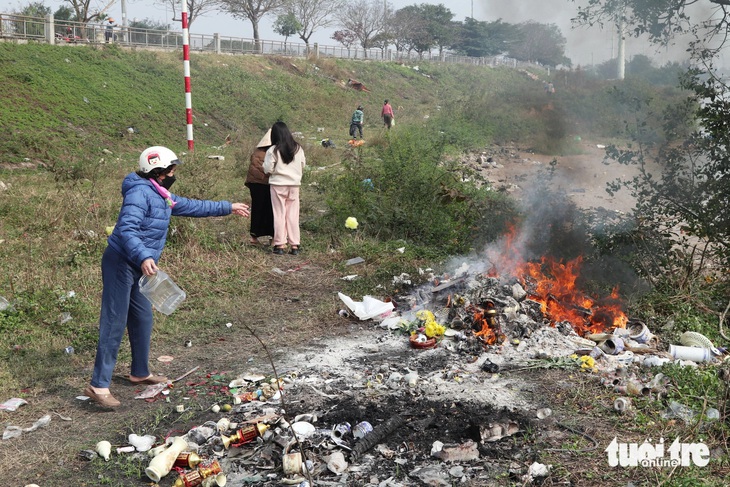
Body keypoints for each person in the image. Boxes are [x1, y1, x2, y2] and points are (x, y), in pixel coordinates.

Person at [85, 146, 250, 408]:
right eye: (171, 170)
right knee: (114, 322)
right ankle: (99, 385)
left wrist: (227, 207)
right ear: (158, 172)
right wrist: (143, 256)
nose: (174, 174)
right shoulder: (140, 192)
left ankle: (140, 372)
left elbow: (191, 205)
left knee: (142, 317)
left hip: (140, 264)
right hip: (121, 262)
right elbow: (126, 228)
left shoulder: (160, 193)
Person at [263, 122, 306, 255]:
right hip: (294, 185)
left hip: (278, 185)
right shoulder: (298, 148)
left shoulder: (273, 150)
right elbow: (303, 164)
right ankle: (295, 246)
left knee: (279, 214)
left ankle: (280, 245)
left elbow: (267, 169)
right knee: (293, 215)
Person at [245, 130, 275, 246]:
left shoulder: (256, 151)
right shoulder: (274, 151)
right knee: (272, 211)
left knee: (257, 209)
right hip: (267, 183)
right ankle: (273, 238)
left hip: (254, 183)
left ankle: (254, 237)